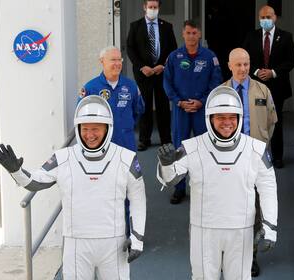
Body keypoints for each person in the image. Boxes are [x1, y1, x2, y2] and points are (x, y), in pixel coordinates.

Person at [0, 96, 146, 279]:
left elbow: (138, 199)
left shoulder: (126, 158)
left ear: (107, 128)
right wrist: (16, 171)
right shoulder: (63, 157)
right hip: (76, 243)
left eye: (96, 129)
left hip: (113, 242)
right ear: (78, 128)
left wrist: (137, 238)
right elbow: (35, 181)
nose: (90, 135)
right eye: (85, 129)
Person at [157, 86, 278, 279]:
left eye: (232, 117)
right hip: (204, 230)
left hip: (242, 229)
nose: (227, 123)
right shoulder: (192, 147)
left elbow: (268, 187)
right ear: (210, 118)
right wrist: (166, 163)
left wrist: (270, 227)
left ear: (239, 118)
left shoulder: (256, 149)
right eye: (220, 117)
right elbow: (170, 179)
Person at [224, 47, 278, 277]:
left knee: (254, 208)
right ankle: (228, 253)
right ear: (230, 66)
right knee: (229, 207)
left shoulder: (262, 90)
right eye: (238, 65)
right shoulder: (221, 93)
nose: (243, 69)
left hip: (254, 158)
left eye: (246, 64)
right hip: (228, 159)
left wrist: (262, 142)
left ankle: (251, 255)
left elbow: (271, 121)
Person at [163, 19, 222, 204]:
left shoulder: (210, 57)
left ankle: (202, 187)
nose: (191, 36)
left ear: (200, 34)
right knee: (180, 149)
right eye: (188, 33)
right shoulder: (174, 57)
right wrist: (179, 102)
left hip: (201, 110)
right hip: (181, 110)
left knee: (203, 149)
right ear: (183, 34)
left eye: (194, 33)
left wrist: (201, 102)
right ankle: (179, 189)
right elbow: (167, 83)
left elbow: (216, 82)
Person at [242, 5, 294, 168]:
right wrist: (257, 71)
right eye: (262, 17)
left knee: (276, 122)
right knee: (256, 121)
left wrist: (273, 72)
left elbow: (291, 60)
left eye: (268, 17)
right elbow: (244, 58)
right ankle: (255, 155)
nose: (265, 20)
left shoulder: (286, 37)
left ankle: (277, 157)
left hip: (277, 87)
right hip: (256, 86)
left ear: (275, 17)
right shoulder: (251, 36)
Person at [126, 0, 177, 151]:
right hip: (144, 73)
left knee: (162, 106)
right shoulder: (135, 26)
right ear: (144, 7)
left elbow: (172, 49)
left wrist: (163, 65)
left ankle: (166, 139)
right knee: (145, 106)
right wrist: (142, 67)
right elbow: (130, 49)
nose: (153, 10)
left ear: (159, 8)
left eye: (155, 7)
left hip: (161, 72)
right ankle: (144, 139)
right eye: (150, 7)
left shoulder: (167, 26)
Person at [79, 46, 145, 152]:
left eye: (120, 60)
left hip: (126, 143)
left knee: (128, 168)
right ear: (102, 61)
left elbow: (138, 111)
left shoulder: (131, 86)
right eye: (113, 60)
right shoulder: (91, 88)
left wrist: (125, 125)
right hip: (101, 145)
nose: (118, 63)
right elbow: (83, 119)